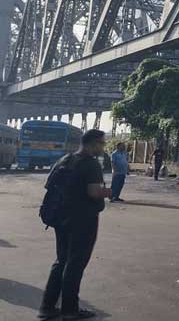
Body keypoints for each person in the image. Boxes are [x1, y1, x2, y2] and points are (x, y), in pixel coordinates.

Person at [38, 129, 112, 321]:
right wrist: (108, 192)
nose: (103, 147)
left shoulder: (65, 159)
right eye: (102, 144)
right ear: (93, 143)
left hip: (60, 218)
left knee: (61, 261)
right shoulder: (91, 164)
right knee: (75, 264)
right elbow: (94, 192)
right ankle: (70, 310)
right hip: (83, 220)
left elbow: (49, 186)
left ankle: (47, 307)